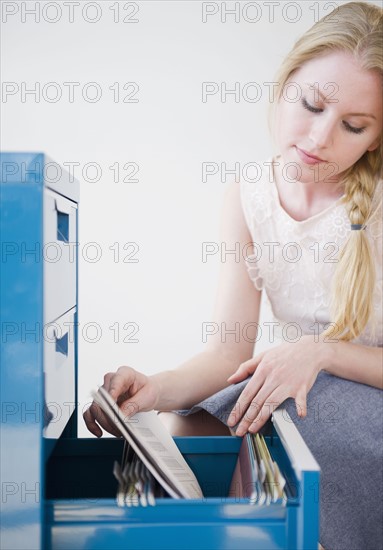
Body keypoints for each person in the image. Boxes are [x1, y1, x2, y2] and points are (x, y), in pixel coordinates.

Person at [84, 2, 383, 548]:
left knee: (273, 429)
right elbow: (227, 354)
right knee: (185, 428)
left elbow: (307, 364)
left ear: (375, 139)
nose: (319, 139)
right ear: (285, 81)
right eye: (311, 105)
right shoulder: (247, 197)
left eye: (353, 126)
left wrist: (322, 351)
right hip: (305, 388)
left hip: (365, 400)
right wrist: (155, 389)